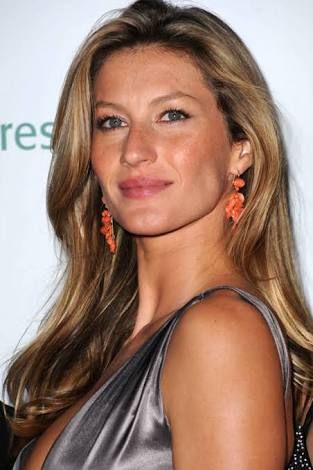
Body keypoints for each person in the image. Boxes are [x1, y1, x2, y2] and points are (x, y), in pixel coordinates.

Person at [3, 0, 313, 468]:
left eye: (172, 116)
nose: (135, 151)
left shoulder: (220, 332)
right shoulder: (111, 342)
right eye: (112, 122)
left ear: (239, 148)